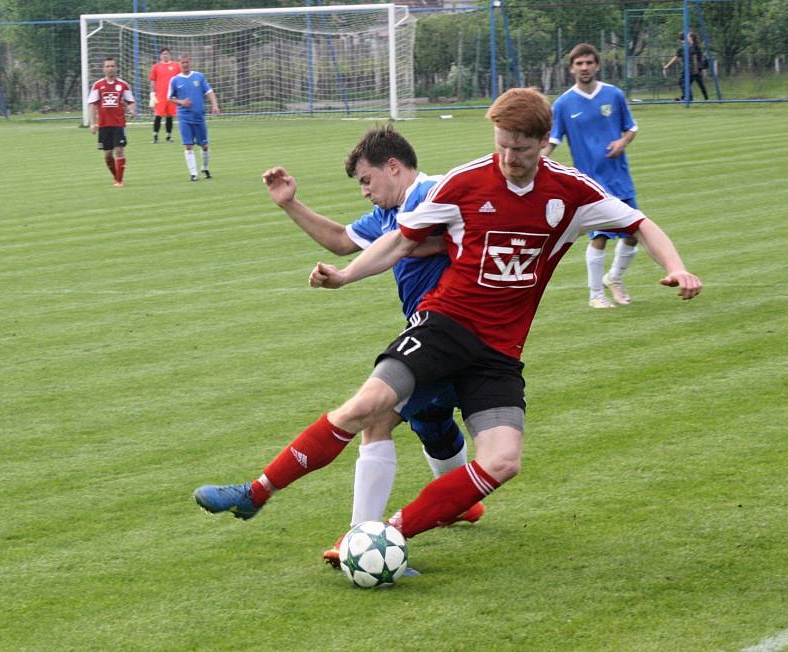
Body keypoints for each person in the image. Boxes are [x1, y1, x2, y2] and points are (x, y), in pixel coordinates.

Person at [194, 88, 702, 546]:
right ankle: (260, 493)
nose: (509, 157)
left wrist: (677, 268)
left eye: (521, 148)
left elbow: (640, 223)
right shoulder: (464, 182)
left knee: (502, 460)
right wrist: (346, 276)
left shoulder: (571, 192)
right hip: (444, 326)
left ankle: (391, 532)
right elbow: (398, 239)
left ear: (545, 142)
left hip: (501, 351)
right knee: (368, 408)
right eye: (502, 144)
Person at [261, 126, 484, 567]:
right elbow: (344, 241)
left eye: (366, 180)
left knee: (376, 419)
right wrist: (290, 204)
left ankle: (357, 538)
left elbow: (462, 239)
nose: (364, 192)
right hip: (428, 333)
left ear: (394, 167)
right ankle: (459, 501)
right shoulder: (390, 213)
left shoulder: (437, 193)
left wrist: (403, 244)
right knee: (433, 424)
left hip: (456, 333)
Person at [543, 43, 640, 309]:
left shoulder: (614, 95)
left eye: (589, 63)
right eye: (579, 64)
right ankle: (595, 295)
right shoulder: (563, 104)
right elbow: (552, 141)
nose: (584, 68)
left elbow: (630, 128)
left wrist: (622, 143)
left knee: (633, 233)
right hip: (591, 185)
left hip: (619, 177)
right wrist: (535, 162)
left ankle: (615, 279)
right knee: (600, 237)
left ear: (597, 65)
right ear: (572, 68)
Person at [168, 54, 220, 181]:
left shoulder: (199, 77)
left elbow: (209, 92)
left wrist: (215, 105)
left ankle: (205, 167)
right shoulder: (175, 80)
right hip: (184, 117)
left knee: (204, 145)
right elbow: (169, 97)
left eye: (187, 62)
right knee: (188, 145)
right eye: (182, 62)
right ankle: (193, 173)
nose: (185, 65)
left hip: (199, 117)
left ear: (190, 63)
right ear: (179, 64)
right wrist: (181, 102)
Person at [88, 57, 136, 188]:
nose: (110, 68)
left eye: (112, 66)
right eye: (107, 66)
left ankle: (119, 181)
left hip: (118, 124)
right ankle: (116, 176)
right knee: (107, 154)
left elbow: (130, 101)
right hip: (103, 124)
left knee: (119, 151)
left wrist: (132, 110)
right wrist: (92, 123)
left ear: (116, 68)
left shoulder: (123, 85)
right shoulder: (97, 85)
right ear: (104, 69)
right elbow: (92, 105)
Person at [663, 32, 709, 102]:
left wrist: (695, 69)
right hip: (695, 69)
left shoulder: (692, 46)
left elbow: (694, 57)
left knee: (683, 83)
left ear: (691, 38)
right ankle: (704, 98)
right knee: (696, 83)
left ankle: (689, 98)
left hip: (692, 69)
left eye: (688, 36)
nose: (687, 38)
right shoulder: (692, 46)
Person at [149, 48, 180, 144]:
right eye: (163, 54)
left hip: (172, 96)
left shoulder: (176, 66)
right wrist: (152, 94)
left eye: (166, 54)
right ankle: (155, 136)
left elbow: (179, 80)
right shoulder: (156, 67)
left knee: (170, 116)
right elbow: (153, 81)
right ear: (160, 56)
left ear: (169, 55)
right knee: (158, 116)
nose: (165, 55)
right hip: (160, 96)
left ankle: (168, 136)